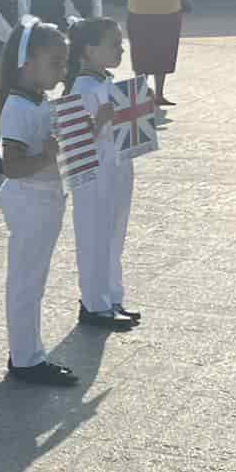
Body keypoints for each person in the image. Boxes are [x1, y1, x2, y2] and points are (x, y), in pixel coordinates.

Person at [0, 17, 80, 386]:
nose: (62, 72)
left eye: (64, 63)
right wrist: (48, 156)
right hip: (29, 202)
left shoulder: (39, 100)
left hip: (45, 199)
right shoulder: (17, 107)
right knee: (26, 283)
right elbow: (12, 166)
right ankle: (25, 358)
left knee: (34, 281)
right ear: (26, 64)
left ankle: (29, 352)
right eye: (55, 63)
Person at [64, 18, 141, 330]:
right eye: (112, 43)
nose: (120, 48)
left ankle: (112, 296)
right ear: (89, 50)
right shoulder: (80, 87)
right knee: (95, 236)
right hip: (94, 171)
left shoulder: (107, 81)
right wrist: (99, 121)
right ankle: (94, 303)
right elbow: (73, 141)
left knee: (114, 234)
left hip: (119, 164)